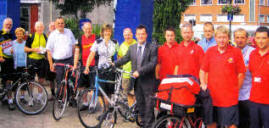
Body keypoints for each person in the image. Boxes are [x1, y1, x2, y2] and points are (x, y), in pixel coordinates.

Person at [200, 26, 246, 128]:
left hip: (229, 99)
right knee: (211, 124)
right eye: (219, 37)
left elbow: (241, 73)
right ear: (215, 38)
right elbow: (203, 70)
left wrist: (235, 89)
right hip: (212, 97)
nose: (222, 40)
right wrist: (203, 83)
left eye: (224, 37)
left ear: (228, 38)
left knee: (231, 125)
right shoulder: (210, 51)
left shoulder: (236, 52)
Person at [115, 24, 158, 128]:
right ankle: (143, 124)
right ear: (136, 35)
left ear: (146, 35)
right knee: (141, 106)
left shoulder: (152, 47)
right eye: (139, 34)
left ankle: (149, 125)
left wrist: (139, 71)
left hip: (148, 83)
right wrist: (113, 64)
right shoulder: (132, 48)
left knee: (149, 107)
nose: (141, 36)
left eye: (143, 34)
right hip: (137, 83)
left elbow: (152, 64)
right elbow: (125, 58)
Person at [84, 24, 119, 96]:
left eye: (109, 31)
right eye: (105, 31)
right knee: (100, 92)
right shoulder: (98, 42)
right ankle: (104, 107)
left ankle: (108, 106)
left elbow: (119, 56)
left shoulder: (115, 42)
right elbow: (91, 55)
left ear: (111, 32)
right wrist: (87, 66)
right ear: (102, 32)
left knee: (109, 92)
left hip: (111, 70)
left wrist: (117, 65)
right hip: (100, 69)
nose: (107, 33)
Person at [46, 17, 76, 90]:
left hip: (69, 60)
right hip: (59, 62)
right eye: (58, 23)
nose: (60, 25)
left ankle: (70, 100)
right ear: (55, 25)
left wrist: (74, 60)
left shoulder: (69, 32)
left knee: (70, 81)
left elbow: (74, 46)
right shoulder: (52, 35)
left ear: (64, 24)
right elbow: (48, 51)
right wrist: (51, 64)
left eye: (62, 23)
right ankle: (60, 100)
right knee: (60, 82)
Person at [248, 26, 269, 128]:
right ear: (254, 39)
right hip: (254, 100)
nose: (260, 41)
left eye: (264, 38)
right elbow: (252, 71)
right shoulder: (252, 54)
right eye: (258, 38)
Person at [234, 28, 255, 128]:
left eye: (242, 37)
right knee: (235, 122)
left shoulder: (253, 52)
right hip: (234, 95)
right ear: (234, 39)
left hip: (248, 94)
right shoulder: (231, 51)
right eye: (237, 37)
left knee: (247, 122)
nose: (240, 40)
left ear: (247, 39)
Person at [74, 22, 96, 109]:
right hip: (84, 65)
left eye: (89, 28)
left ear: (92, 29)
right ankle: (85, 103)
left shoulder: (96, 38)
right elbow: (76, 52)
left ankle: (93, 104)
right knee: (81, 86)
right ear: (83, 29)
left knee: (94, 86)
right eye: (86, 29)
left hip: (94, 65)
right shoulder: (80, 39)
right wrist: (75, 65)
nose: (88, 30)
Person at [24, 21, 47, 102]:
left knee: (41, 79)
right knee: (31, 80)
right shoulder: (31, 36)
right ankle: (31, 97)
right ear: (35, 28)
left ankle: (39, 97)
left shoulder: (45, 36)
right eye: (38, 27)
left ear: (43, 28)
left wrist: (45, 53)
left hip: (41, 60)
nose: (40, 28)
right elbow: (25, 49)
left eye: (41, 27)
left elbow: (47, 49)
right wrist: (34, 49)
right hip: (32, 60)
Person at [117, 27, 136, 106]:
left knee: (135, 94)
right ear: (123, 36)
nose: (127, 37)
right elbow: (119, 58)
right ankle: (131, 110)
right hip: (125, 74)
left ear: (132, 34)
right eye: (125, 35)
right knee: (128, 93)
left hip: (134, 74)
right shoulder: (122, 46)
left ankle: (135, 111)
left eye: (129, 35)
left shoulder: (136, 43)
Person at [0, 17, 15, 110]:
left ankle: (9, 100)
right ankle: (5, 98)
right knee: (3, 80)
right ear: (3, 24)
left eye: (10, 25)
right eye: (7, 24)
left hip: (9, 60)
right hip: (1, 60)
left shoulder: (11, 35)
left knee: (8, 81)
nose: (8, 26)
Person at [45, 21, 56, 101]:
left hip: (58, 59)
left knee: (59, 78)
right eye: (51, 26)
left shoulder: (59, 35)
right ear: (49, 28)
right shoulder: (46, 36)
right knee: (51, 79)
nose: (53, 27)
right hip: (49, 59)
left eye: (54, 26)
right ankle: (53, 94)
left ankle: (60, 94)